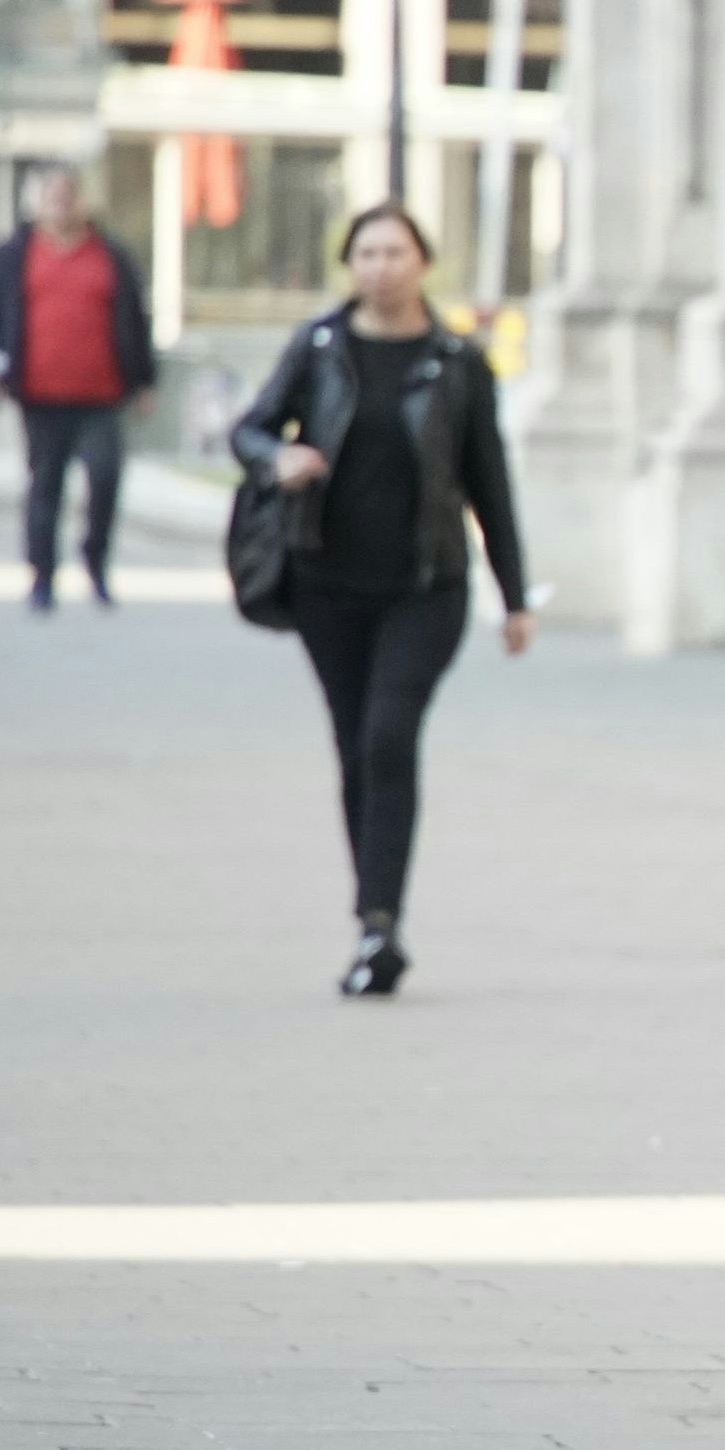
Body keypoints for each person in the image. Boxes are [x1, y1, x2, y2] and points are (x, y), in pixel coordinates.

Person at [232, 202, 531, 998]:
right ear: (350, 263)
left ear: (422, 263)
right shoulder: (321, 346)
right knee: (355, 745)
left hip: (426, 587)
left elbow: (489, 483)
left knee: (390, 735)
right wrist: (280, 457)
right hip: (327, 585)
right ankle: (373, 923)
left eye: (395, 252)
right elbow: (250, 429)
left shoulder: (458, 363)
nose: (380, 267)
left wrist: (515, 596)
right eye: (366, 252)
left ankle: (381, 922)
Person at [0, 163, 155, 611]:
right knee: (44, 485)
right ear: (37, 202)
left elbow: (136, 318)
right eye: (52, 195)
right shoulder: (15, 253)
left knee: (106, 477)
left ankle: (96, 560)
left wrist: (145, 381)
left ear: (82, 200)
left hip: (103, 396)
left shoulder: (109, 253)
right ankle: (42, 576)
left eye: (69, 194)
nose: (61, 203)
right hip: (40, 395)